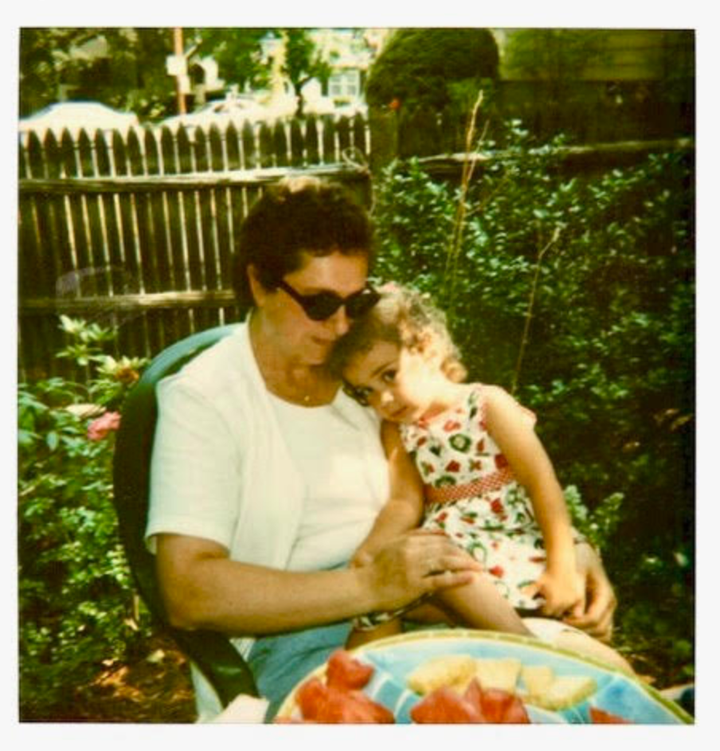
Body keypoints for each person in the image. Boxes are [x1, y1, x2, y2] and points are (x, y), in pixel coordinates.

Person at [145, 177, 620, 722]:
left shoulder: (364, 378)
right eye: (320, 303)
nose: (342, 324)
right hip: (293, 640)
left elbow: (475, 476)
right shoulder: (206, 398)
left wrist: (577, 551)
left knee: (599, 688)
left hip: (436, 602)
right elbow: (189, 591)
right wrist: (369, 586)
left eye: (357, 301)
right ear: (259, 283)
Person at [330, 283, 631, 672]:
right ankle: (356, 693)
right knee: (398, 586)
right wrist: (370, 551)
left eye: (388, 376)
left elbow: (541, 482)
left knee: (449, 571)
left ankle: (535, 655)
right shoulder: (396, 429)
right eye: (366, 392)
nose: (383, 400)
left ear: (428, 347)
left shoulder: (487, 403)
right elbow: (404, 502)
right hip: (453, 552)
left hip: (504, 544)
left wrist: (562, 566)